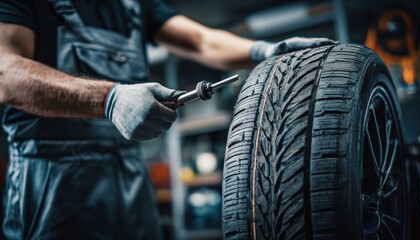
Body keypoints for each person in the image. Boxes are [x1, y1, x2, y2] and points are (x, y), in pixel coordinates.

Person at [0, 0, 335, 239]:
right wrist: (108, 98)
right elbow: (5, 73)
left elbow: (201, 40)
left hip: (129, 173)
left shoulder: (133, 5)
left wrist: (261, 51)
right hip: (50, 181)